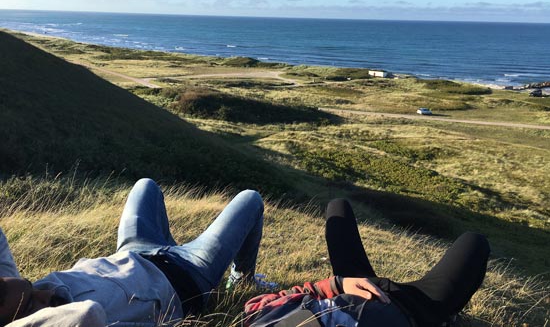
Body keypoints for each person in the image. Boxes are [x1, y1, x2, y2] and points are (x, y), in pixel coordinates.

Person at [0, 178, 266, 326]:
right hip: (187, 273)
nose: (45, 293)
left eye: (33, 287)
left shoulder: (11, 295)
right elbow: (86, 314)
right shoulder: (79, 321)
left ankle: (169, 243)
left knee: (145, 185)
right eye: (36, 304)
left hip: (135, 249)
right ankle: (241, 280)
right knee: (250, 199)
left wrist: (28, 297)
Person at [244, 198, 490, 327]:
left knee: (337, 206)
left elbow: (256, 304)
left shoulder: (260, 321)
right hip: (418, 308)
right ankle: (446, 317)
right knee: (475, 243)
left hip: (357, 285)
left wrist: (337, 285)